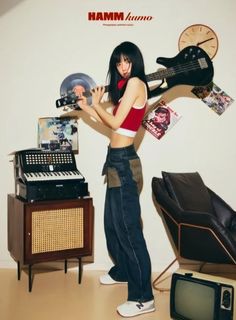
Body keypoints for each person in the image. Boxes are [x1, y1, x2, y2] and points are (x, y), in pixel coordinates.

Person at [75, 41, 155, 318]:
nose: (123, 67)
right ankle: (122, 270)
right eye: (118, 63)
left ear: (135, 62)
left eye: (127, 61)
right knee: (112, 223)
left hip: (124, 162)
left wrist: (97, 105)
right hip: (115, 160)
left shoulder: (135, 83)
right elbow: (112, 124)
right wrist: (88, 108)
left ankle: (144, 297)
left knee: (129, 230)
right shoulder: (126, 88)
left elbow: (113, 122)